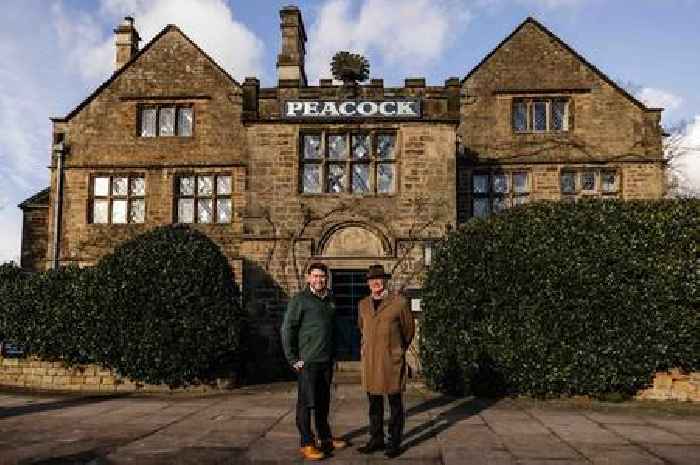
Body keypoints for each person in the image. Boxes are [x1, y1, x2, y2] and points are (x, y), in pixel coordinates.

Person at [281, 262, 347, 460]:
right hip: (307, 362)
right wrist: (293, 358)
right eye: (315, 276)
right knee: (306, 403)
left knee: (323, 401)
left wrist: (334, 353)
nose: (319, 280)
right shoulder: (300, 300)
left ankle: (325, 437)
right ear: (308, 278)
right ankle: (307, 442)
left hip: (325, 361)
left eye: (322, 276)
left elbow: (333, 328)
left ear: (327, 278)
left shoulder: (330, 299)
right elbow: (287, 329)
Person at [357, 264, 415, 458]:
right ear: (368, 283)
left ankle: (394, 442)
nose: (376, 282)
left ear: (385, 280)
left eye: (379, 278)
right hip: (371, 361)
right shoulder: (363, 304)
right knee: (374, 404)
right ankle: (376, 439)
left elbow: (408, 331)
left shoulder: (399, 302)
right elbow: (362, 328)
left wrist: (396, 350)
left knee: (395, 403)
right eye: (372, 279)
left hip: (391, 361)